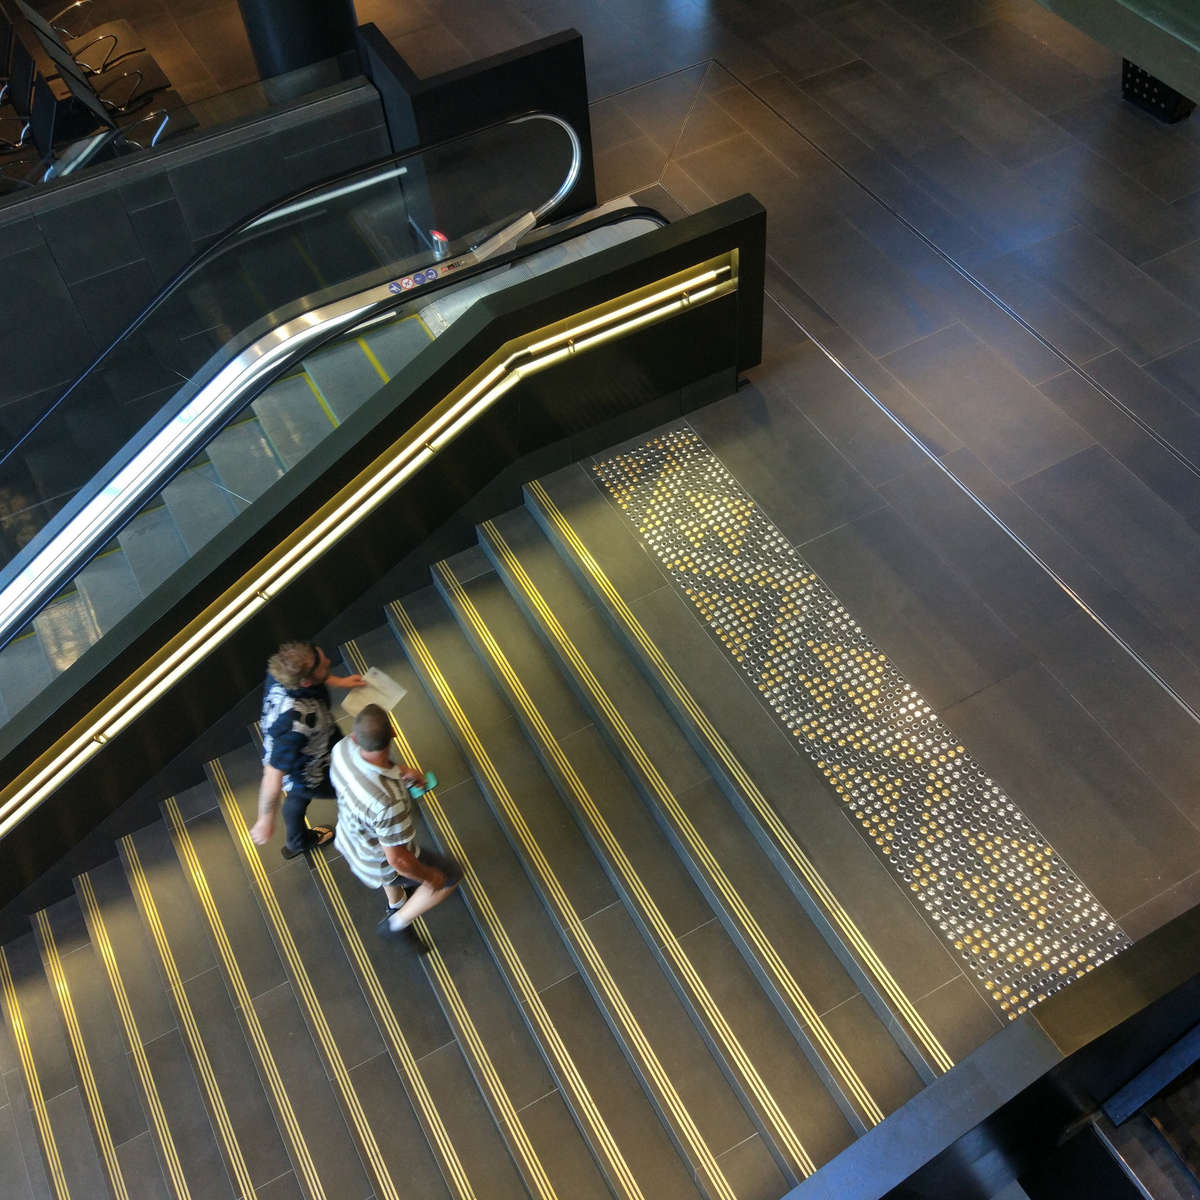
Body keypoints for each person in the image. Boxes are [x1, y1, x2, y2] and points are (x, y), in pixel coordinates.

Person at [330, 703, 460, 953]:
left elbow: (373, 767)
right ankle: (397, 925)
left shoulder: (342, 749)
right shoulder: (389, 801)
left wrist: (403, 771)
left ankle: (397, 903)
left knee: (387, 869)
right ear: (394, 734)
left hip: (351, 838)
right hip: (377, 858)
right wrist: (430, 877)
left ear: (356, 736)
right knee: (451, 875)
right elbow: (398, 859)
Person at [251, 641, 365, 857]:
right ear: (304, 682)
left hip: (316, 744)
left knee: (298, 796)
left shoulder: (282, 672)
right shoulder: (294, 725)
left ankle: (296, 842)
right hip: (309, 768)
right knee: (345, 788)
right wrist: (265, 820)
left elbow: (316, 677)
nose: (329, 661)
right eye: (323, 664)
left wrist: (340, 681)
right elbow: (272, 776)